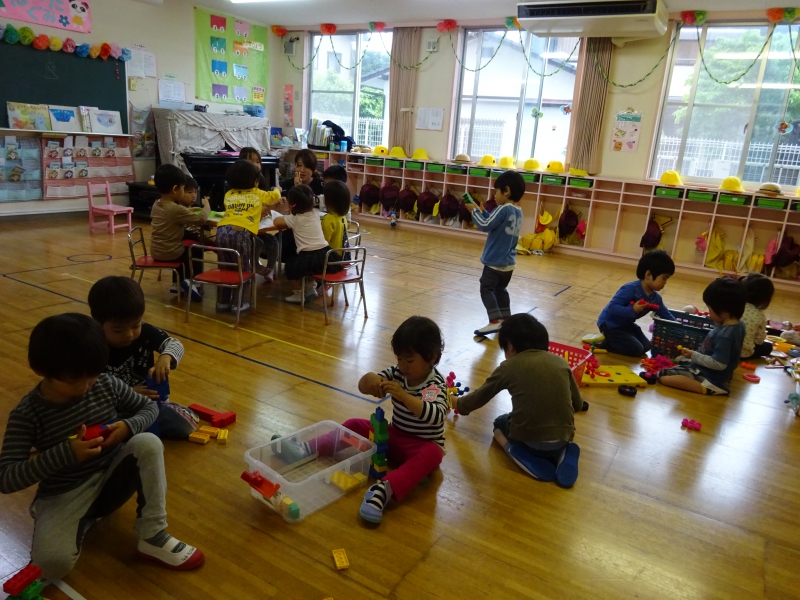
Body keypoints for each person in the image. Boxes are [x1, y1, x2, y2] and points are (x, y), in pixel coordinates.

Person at [0, 314, 204, 580]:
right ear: (41, 369)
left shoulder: (106, 383)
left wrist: (128, 427)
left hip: (111, 478)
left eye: (92, 376)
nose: (85, 387)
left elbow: (149, 408)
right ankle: (82, 519)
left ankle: (153, 535)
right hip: (64, 494)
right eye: (74, 380)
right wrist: (66, 454)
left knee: (148, 442)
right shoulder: (27, 414)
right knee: (50, 566)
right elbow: (6, 478)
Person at [452, 314, 583, 487]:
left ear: (511, 346)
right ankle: (563, 453)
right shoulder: (561, 362)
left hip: (530, 443)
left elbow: (479, 397)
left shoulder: (508, 367)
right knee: (550, 429)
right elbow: (578, 405)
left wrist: (457, 403)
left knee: (499, 424)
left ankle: (517, 452)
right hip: (563, 437)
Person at [356, 316, 447, 523]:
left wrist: (404, 396)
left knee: (434, 453)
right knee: (355, 424)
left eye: (410, 360)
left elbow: (436, 416)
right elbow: (363, 386)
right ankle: (312, 446)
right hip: (395, 437)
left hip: (422, 445)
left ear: (432, 356)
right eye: (399, 359)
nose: (403, 366)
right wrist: (370, 379)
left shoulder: (434, 385)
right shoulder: (396, 373)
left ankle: (382, 490)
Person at [88, 276, 198, 440]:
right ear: (98, 324)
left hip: (147, 407)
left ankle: (131, 431)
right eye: (118, 330)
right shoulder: (92, 344)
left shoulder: (146, 333)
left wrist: (166, 357)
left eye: (136, 325)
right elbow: (89, 392)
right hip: (113, 410)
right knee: (95, 425)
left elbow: (175, 344)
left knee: (183, 423)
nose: (129, 334)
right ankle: (130, 431)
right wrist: (127, 395)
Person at [658, 277, 747, 395]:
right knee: (679, 360)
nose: (708, 313)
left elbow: (719, 364)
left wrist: (694, 355)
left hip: (710, 374)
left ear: (724, 311)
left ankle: (710, 387)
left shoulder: (725, 335)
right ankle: (714, 381)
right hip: (719, 372)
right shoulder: (739, 324)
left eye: (710, 309)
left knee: (662, 375)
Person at [215, 160, 282, 312]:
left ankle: (222, 302)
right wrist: (277, 189)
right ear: (255, 182)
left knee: (225, 268)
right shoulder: (257, 193)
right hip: (241, 232)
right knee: (243, 269)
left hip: (221, 231)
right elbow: (273, 197)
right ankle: (238, 303)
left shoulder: (228, 194)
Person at [465, 171, 525, 335]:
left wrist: (474, 211)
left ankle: (494, 321)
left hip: (495, 262)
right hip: (509, 264)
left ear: (506, 191)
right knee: (500, 290)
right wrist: (483, 212)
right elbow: (495, 223)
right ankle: (506, 319)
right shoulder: (517, 211)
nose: (494, 195)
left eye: (496, 191)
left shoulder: (503, 209)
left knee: (486, 288)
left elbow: (485, 225)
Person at [595, 250, 677, 356]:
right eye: (664, 278)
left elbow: (666, 315)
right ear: (648, 274)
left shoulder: (655, 298)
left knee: (647, 346)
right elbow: (612, 307)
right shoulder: (631, 289)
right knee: (637, 349)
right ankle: (603, 342)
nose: (665, 283)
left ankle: (618, 339)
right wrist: (632, 310)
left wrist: (680, 330)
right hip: (610, 325)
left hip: (626, 325)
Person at [149, 164, 210, 302]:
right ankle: (191, 281)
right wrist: (206, 206)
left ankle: (178, 283)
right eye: (183, 188)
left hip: (156, 251)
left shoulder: (157, 204)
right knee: (194, 247)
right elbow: (201, 219)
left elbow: (178, 214)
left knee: (186, 242)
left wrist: (190, 210)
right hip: (171, 253)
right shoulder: (175, 209)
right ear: (175, 189)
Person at [274, 184, 341, 304]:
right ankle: (310, 290)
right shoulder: (315, 213)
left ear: (292, 204)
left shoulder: (294, 218)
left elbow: (276, 222)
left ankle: (298, 294)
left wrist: (285, 212)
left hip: (308, 255)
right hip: (325, 253)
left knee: (291, 267)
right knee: (309, 268)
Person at [739, 273, 774, 359]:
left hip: (722, 348)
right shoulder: (760, 315)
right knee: (768, 347)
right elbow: (759, 341)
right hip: (743, 353)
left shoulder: (733, 305)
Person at [321, 180, 352, 261]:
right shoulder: (343, 217)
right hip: (342, 257)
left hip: (331, 258)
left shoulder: (329, 219)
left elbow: (323, 242)